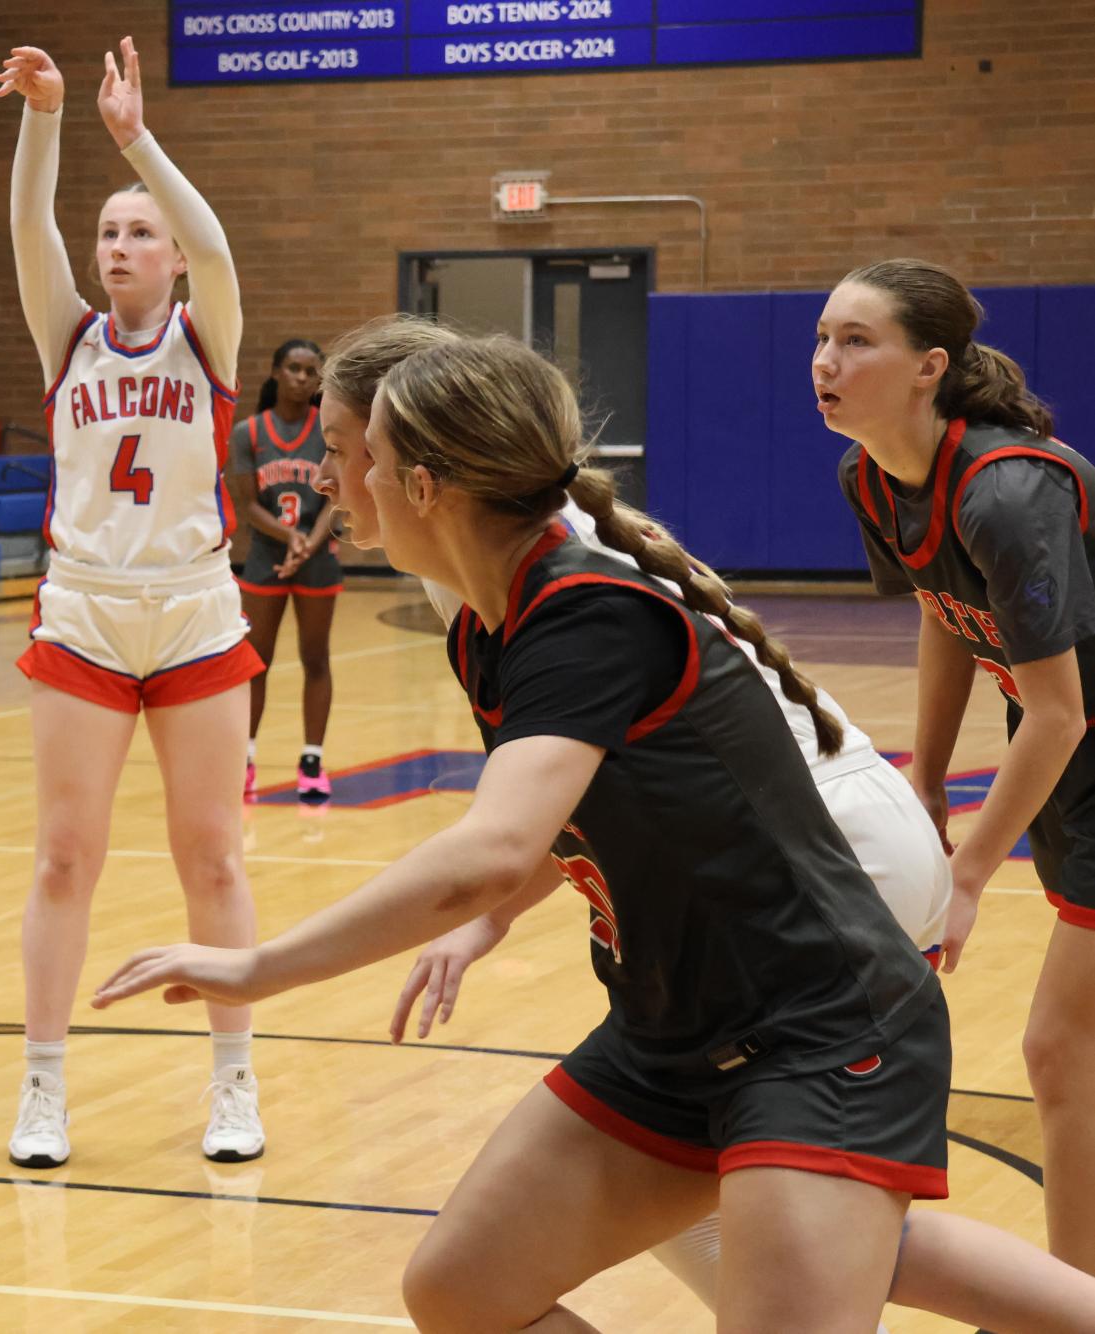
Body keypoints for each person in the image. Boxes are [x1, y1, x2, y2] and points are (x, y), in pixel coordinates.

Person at [91, 328, 1095, 1332]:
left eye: (371, 460)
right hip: (677, 1027)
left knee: (804, 1264)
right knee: (461, 1286)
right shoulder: (498, 614)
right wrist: (487, 916)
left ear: (430, 485)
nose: (349, 479)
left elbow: (489, 852)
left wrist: (260, 965)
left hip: (816, 1025)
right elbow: (562, 822)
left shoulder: (584, 607)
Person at [323, 315, 952, 1323]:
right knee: (697, 1173)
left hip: (822, 852)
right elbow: (596, 794)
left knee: (714, 1175)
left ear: (421, 458)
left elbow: (570, 799)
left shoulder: (531, 573)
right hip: (829, 834)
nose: (328, 472)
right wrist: (490, 913)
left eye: (343, 447)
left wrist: (469, 901)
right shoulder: (507, 549)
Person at [0, 38, 265, 1169]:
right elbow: (28, 230)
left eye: (136, 231)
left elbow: (213, 242)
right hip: (87, 610)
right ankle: (43, 1085)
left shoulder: (209, 332)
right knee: (66, 854)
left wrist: (136, 144)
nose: (119, 246)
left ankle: (235, 1079)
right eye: (109, 232)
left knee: (213, 855)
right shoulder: (68, 335)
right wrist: (48, 121)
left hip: (196, 609)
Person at [825, 257, 1095, 1275]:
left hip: (1078, 745)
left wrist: (971, 872)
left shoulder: (1009, 492)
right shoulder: (872, 474)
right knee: (1073, 1057)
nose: (826, 360)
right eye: (821, 337)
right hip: (1077, 765)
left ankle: (1074, 1299)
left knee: (1062, 1051)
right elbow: (945, 611)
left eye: (858, 340)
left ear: (929, 365)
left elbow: (1058, 711)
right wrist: (927, 775)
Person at [228, 337, 337, 804]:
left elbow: (340, 495)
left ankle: (312, 759)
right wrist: (289, 537)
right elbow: (246, 505)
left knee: (315, 658)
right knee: (255, 662)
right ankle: (244, 759)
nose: (301, 378)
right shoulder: (249, 433)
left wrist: (309, 543)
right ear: (275, 372)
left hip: (317, 560)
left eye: (310, 371)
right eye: (293, 368)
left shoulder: (329, 429)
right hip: (265, 558)